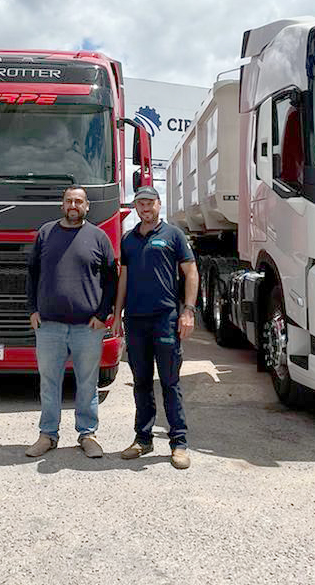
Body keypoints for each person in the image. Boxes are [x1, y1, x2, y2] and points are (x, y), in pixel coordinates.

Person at [24, 185, 118, 459]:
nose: (73, 205)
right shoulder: (46, 233)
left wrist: (103, 315)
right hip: (49, 326)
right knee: (49, 383)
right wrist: (32, 309)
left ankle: (87, 435)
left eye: (78, 201)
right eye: (69, 201)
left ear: (87, 206)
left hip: (87, 328)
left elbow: (111, 279)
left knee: (87, 384)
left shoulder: (98, 237)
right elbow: (32, 273)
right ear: (62, 205)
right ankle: (47, 435)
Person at [112, 185, 199, 469]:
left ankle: (179, 443)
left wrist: (188, 310)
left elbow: (191, 272)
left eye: (150, 203)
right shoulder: (128, 239)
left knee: (170, 383)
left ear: (159, 204)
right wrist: (117, 314)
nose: (145, 208)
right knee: (141, 382)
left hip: (166, 319)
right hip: (136, 321)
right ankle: (143, 439)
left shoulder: (173, 235)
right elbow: (124, 278)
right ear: (136, 207)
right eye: (141, 204)